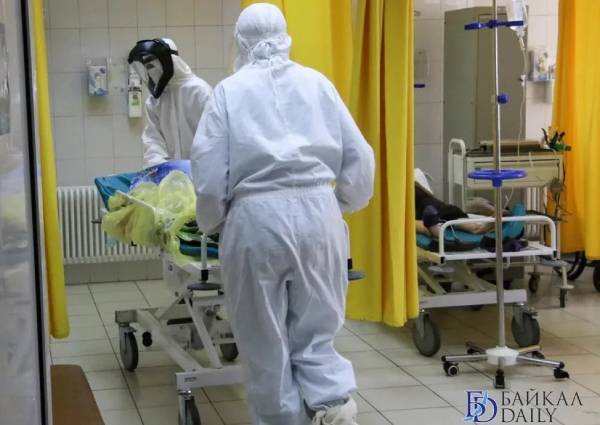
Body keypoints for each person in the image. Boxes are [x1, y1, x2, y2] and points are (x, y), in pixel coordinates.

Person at [190, 4, 375, 425]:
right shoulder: (318, 84)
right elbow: (360, 158)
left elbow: (208, 173)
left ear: (240, 41)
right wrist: (339, 204)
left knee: (264, 340)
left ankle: (280, 419)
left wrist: (215, 222)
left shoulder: (228, 93)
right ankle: (335, 411)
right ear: (285, 36)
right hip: (319, 214)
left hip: (255, 221)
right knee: (318, 332)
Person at [128, 38, 212, 167]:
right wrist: (161, 168)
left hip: (202, 171)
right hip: (170, 175)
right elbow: (153, 140)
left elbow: (212, 138)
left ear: (169, 61)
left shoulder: (199, 91)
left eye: (152, 65)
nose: (150, 71)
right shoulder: (154, 101)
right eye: (147, 67)